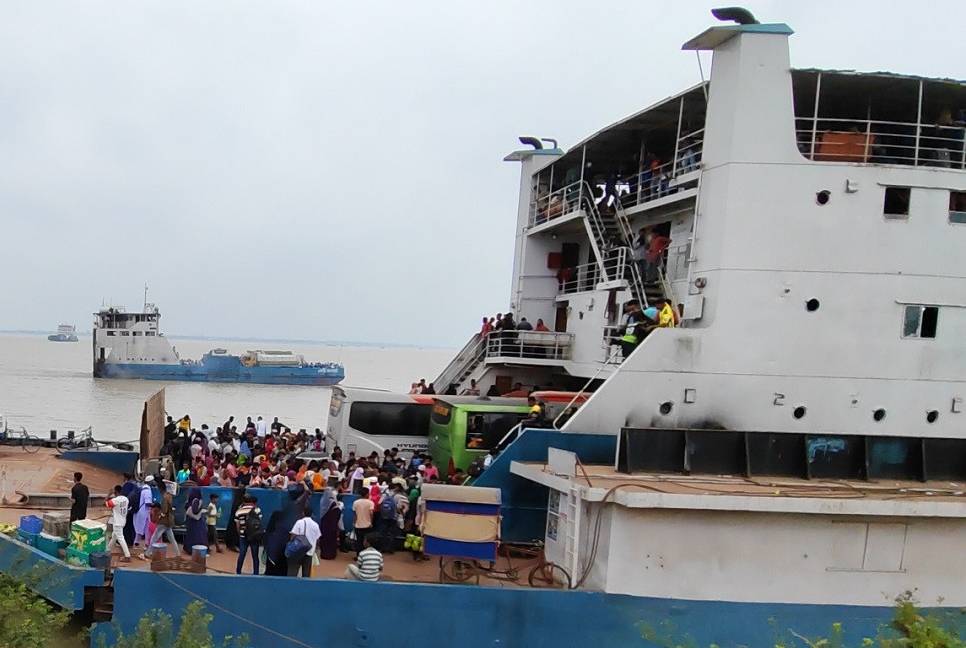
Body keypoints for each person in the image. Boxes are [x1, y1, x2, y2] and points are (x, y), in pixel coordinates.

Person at [143, 488, 180, 560]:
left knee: (154, 537)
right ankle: (177, 554)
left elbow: (164, 511)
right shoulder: (170, 499)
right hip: (169, 522)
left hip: (163, 522)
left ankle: (148, 553)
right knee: (172, 539)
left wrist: (160, 515)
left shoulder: (164, 499)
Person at [287, 507, 321, 577]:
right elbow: (318, 539)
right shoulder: (316, 525)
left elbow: (293, 535)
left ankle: (290, 586)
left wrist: (290, 544)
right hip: (309, 552)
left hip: (297, 551)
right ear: (312, 514)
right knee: (306, 574)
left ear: (303, 513)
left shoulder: (299, 522)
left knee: (292, 573)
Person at [234, 494, 262, 575]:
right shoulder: (257, 510)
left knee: (242, 554)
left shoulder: (239, 511)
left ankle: (238, 571)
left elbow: (237, 525)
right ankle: (256, 573)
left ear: (243, 501)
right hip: (254, 535)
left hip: (243, 535)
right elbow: (259, 522)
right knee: (255, 556)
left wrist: (240, 533)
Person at [105, 485, 131, 562]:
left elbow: (106, 504)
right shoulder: (126, 499)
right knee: (114, 537)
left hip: (117, 522)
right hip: (123, 521)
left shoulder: (115, 500)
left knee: (120, 538)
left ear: (115, 492)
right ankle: (107, 551)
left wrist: (109, 494)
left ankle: (127, 556)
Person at [318, 488, 340, 560]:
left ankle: (324, 554)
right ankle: (331, 555)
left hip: (324, 525)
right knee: (331, 540)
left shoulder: (322, 500)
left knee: (324, 540)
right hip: (332, 526)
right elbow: (338, 512)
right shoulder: (333, 503)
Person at [183, 488, 207, 553]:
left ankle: (188, 548)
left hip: (190, 520)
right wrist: (201, 509)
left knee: (190, 535)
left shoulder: (189, 500)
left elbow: (186, 507)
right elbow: (195, 511)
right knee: (197, 536)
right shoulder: (197, 500)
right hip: (197, 522)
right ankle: (196, 550)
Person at [351, 487, 375, 554]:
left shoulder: (355, 502)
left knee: (359, 541)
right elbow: (371, 514)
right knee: (367, 541)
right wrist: (371, 522)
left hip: (358, 525)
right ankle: (366, 555)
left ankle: (358, 555)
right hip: (367, 525)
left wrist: (354, 523)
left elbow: (355, 514)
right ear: (367, 494)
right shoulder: (370, 503)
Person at [133, 476, 154, 547]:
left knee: (140, 526)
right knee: (147, 527)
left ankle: (137, 541)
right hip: (145, 511)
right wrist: (155, 505)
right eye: (153, 481)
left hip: (140, 511)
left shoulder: (142, 488)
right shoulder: (147, 491)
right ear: (150, 482)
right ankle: (146, 542)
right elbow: (148, 503)